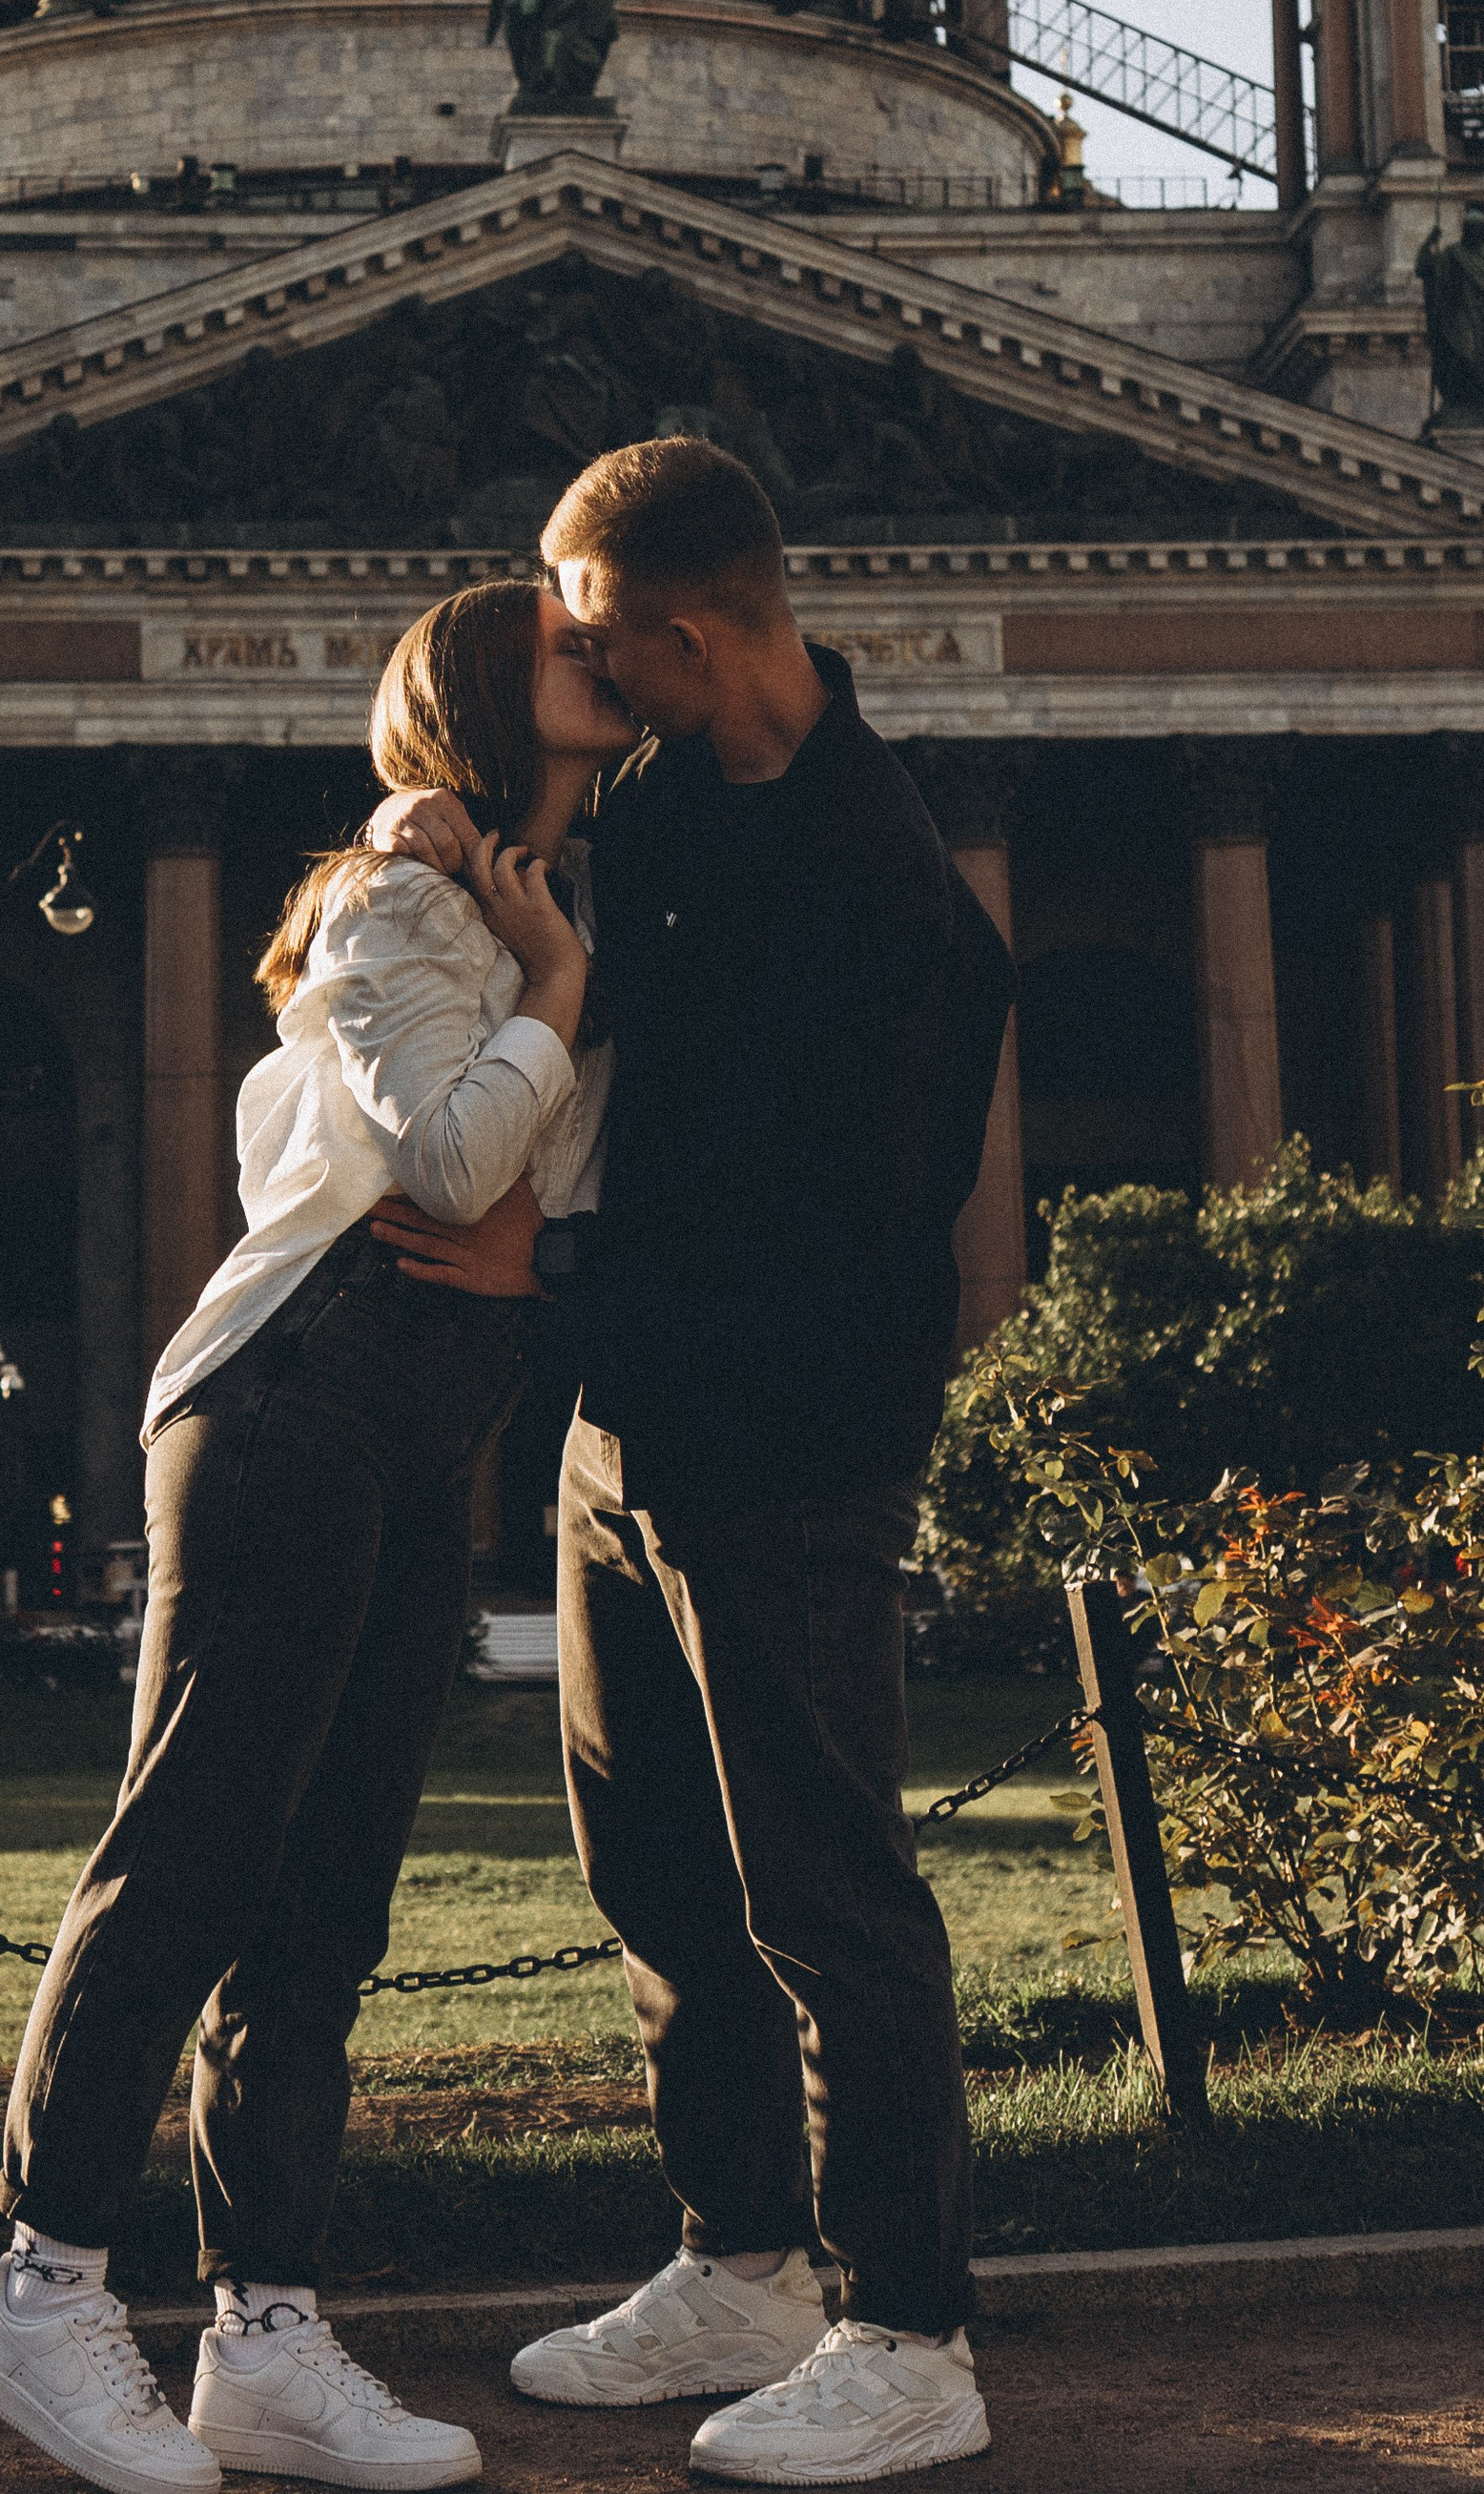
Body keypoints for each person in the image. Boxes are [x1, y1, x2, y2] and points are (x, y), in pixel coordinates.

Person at [0, 580, 638, 2494]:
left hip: (415, 1427)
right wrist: (551, 1001)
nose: (615, 654)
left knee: (325, 1903)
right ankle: (43, 2281)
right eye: (574, 650)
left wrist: (551, 1001)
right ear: (493, 702)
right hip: (290, 1406)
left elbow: (507, 1187)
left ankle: (262, 2326)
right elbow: (440, 1162)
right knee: (191, 1853)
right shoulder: (401, 899)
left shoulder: (515, 895)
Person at [368, 439, 1015, 2486]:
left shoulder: (876, 876)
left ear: (684, 629)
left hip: (788, 1437)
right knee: (651, 1867)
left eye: (584, 630)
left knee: (823, 1886)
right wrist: (429, 846)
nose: (572, 664)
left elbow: (817, 1229)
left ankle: (908, 2328)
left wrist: (532, 1259)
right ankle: (741, 2261)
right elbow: (563, 969)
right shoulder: (655, 804)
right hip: (628, 1420)